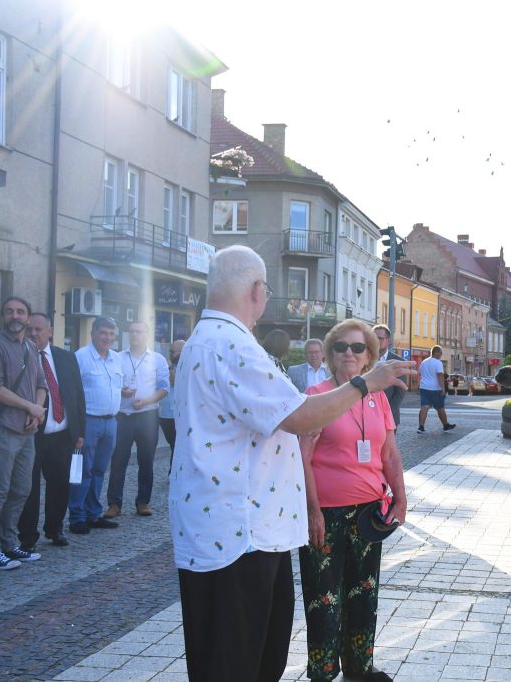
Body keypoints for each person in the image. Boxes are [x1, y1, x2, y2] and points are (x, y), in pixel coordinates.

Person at [168, 245, 414, 682]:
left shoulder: (207, 340)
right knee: (238, 659)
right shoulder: (231, 345)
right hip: (239, 536)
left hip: (233, 529)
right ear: (258, 291)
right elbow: (299, 416)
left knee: (239, 654)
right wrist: (365, 383)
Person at [299, 320, 407, 682]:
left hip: (368, 514)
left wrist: (400, 499)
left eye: (357, 348)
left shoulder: (377, 397)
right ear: (329, 355)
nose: (349, 353)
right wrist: (311, 511)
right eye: (341, 347)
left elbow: (389, 453)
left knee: (364, 593)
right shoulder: (319, 394)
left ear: (369, 357)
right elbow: (301, 456)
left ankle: (359, 668)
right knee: (324, 598)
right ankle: (323, 672)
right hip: (325, 513)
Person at [0, 296, 48, 570]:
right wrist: (30, 406)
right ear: (2, 316)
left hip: (27, 431)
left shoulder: (31, 348)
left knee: (21, 490)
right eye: (9, 312)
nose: (14, 316)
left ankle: (10, 544)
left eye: (20, 312)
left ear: (28, 318)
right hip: (3, 430)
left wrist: (36, 411)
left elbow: (41, 384)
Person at [17, 312, 85, 550]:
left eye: (38, 329)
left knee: (60, 485)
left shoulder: (66, 358)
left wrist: (80, 432)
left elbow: (77, 396)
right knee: (30, 488)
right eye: (30, 329)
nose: (33, 334)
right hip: (32, 435)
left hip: (62, 435)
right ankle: (27, 537)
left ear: (50, 331)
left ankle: (54, 529)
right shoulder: (21, 357)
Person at [106, 321, 169, 518]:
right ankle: (114, 504)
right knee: (118, 461)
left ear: (147, 335)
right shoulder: (117, 358)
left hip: (148, 416)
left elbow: (164, 388)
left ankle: (143, 502)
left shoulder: (158, 359)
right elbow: (111, 383)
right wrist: (121, 391)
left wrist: (146, 401)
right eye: (132, 332)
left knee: (146, 461)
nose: (135, 335)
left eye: (139, 332)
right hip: (123, 417)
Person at [70, 317, 123, 535]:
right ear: (93, 333)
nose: (107, 338)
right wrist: (76, 428)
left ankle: (93, 514)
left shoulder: (117, 358)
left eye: (111, 334)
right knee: (83, 471)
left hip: (111, 422)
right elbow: (72, 394)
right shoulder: (80, 357)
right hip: (88, 422)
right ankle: (76, 517)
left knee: (100, 470)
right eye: (103, 333)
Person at [372, 324, 405, 429]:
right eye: (373, 337)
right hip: (366, 417)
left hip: (389, 417)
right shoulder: (363, 360)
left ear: (388, 340)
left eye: (380, 338)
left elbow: (399, 394)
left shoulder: (398, 362)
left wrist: (385, 413)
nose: (376, 341)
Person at [417, 345, 455, 434]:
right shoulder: (438, 363)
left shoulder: (424, 362)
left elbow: (419, 373)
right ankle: (445, 426)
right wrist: (443, 388)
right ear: (437, 353)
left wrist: (426, 378)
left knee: (424, 407)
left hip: (424, 388)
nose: (441, 355)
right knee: (440, 408)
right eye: (441, 353)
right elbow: (440, 376)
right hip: (435, 389)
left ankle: (421, 427)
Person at [159, 339, 186, 463]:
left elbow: (173, 381)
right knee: (173, 445)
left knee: (177, 446)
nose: (170, 354)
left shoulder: (187, 366)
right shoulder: (165, 366)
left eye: (173, 352)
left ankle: (173, 473)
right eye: (169, 351)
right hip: (165, 414)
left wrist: (169, 366)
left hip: (179, 414)